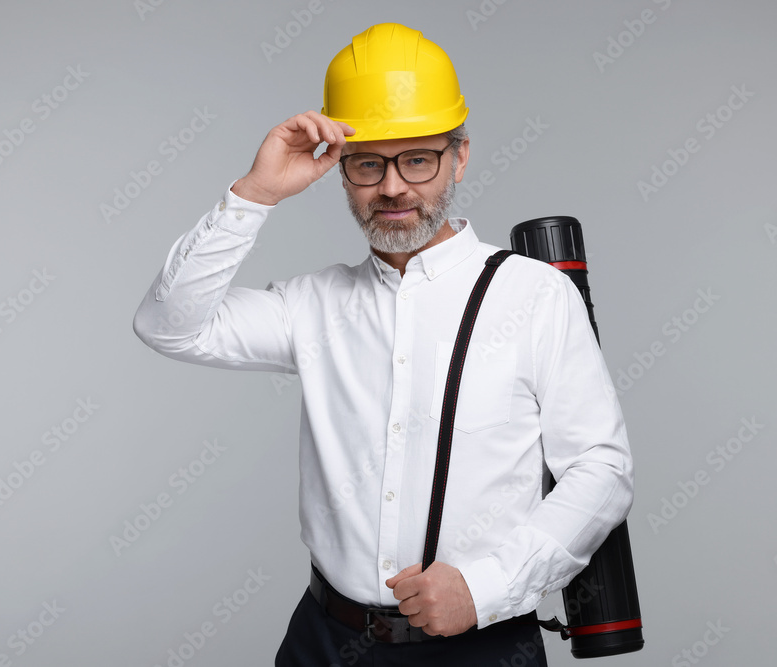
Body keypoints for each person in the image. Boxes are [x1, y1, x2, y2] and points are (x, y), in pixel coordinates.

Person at [133, 22, 633, 667]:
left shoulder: (534, 296)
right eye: (368, 163)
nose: (393, 187)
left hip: (479, 646)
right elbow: (168, 323)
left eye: (417, 158)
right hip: (324, 642)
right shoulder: (310, 304)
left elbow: (601, 469)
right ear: (339, 170)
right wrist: (254, 194)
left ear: (459, 156)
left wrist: (485, 588)